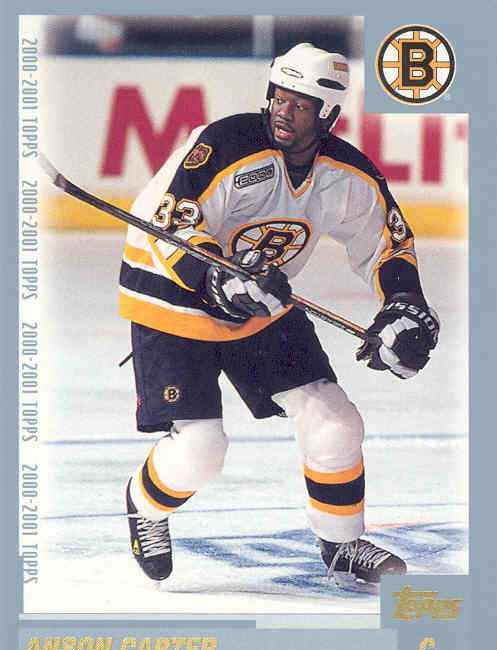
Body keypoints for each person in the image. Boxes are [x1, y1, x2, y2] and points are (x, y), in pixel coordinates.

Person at [119, 43, 439, 591]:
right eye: (280, 98)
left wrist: (404, 302)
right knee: (200, 452)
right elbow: (172, 223)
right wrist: (216, 275)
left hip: (260, 304)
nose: (284, 112)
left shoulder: (345, 174)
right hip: (172, 298)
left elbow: (388, 243)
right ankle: (143, 504)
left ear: (328, 115)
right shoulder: (225, 144)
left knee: (335, 422)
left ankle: (341, 545)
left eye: (301, 104)